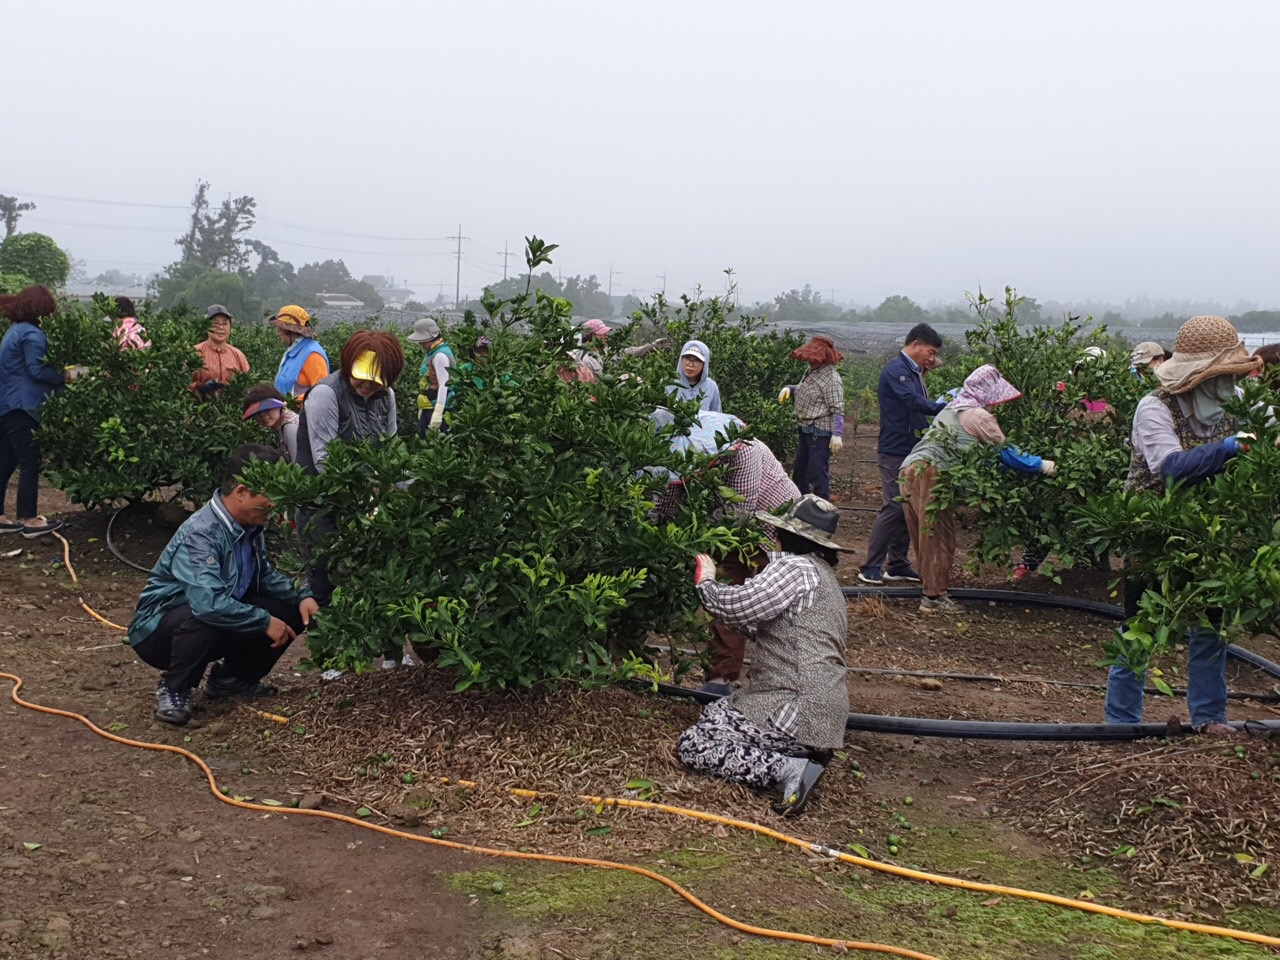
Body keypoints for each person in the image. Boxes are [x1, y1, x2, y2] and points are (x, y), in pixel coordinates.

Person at [1106, 315, 1261, 735]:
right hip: (1152, 530)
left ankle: (1209, 717)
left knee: (1211, 623)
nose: (1229, 388)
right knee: (1140, 624)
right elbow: (1171, 468)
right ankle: (1121, 723)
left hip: (1210, 532)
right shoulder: (1155, 407)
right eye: (1221, 379)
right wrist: (1230, 447)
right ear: (1197, 378)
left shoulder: (1238, 406)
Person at [678, 494, 852, 817]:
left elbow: (739, 604)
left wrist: (707, 584)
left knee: (695, 743)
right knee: (715, 714)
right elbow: (761, 626)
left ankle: (790, 769)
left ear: (788, 535)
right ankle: (803, 756)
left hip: (794, 707)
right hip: (824, 714)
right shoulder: (825, 579)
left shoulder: (794, 568)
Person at [127, 444, 317, 725]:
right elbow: (207, 603)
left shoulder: (251, 526)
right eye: (270, 494)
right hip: (160, 631)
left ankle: (232, 680)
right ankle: (175, 689)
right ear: (241, 492)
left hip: (214, 620)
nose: (275, 503)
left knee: (291, 611)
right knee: (203, 614)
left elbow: (263, 576)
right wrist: (263, 621)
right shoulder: (201, 533)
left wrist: (302, 596)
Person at [649, 410, 800, 695]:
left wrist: (697, 537)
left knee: (767, 600)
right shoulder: (680, 458)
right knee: (727, 599)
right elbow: (665, 502)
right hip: (721, 528)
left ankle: (777, 681)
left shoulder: (744, 450)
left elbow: (737, 514)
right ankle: (721, 678)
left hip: (771, 522)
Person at [899, 365, 1056, 615]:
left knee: (925, 535)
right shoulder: (978, 416)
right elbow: (1006, 454)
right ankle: (933, 598)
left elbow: (981, 458)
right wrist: (1042, 465)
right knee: (938, 537)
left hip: (909, 470)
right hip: (930, 475)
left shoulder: (951, 409)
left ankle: (931, 590)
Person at [295, 330, 404, 605]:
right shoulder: (325, 394)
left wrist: (418, 485)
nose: (366, 385)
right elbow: (325, 461)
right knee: (326, 579)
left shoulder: (386, 396)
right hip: (321, 503)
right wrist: (370, 491)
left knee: (369, 583)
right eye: (361, 377)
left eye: (375, 381)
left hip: (361, 503)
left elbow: (390, 450)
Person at [857, 324, 946, 586]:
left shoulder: (915, 371)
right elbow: (912, 402)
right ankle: (870, 565)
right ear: (916, 344)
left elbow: (920, 394)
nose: (931, 358)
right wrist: (944, 407)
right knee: (894, 504)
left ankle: (897, 564)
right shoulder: (897, 370)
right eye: (929, 352)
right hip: (895, 449)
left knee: (908, 506)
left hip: (912, 446)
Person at [0, 285, 71, 538]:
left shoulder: (14, 331)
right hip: (23, 406)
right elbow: (36, 370)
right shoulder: (32, 334)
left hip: (6, 405)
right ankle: (29, 520)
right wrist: (63, 375)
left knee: (6, 460)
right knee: (30, 463)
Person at [778, 336, 846, 500]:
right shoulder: (811, 371)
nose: (809, 360)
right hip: (806, 428)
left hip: (820, 432)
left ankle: (822, 509)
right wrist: (790, 389)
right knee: (800, 471)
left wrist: (837, 433)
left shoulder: (832, 379)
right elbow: (804, 388)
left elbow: (837, 408)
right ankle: (803, 505)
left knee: (817, 473)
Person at [272, 305, 330, 401]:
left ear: (288, 331)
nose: (278, 330)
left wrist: (293, 403)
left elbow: (321, 394)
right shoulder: (293, 350)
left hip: (301, 415)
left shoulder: (312, 355)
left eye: (280, 327)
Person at [407, 317, 453, 435]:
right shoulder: (432, 352)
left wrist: (438, 411)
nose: (420, 343)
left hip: (438, 406)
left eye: (422, 340)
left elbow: (444, 385)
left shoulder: (440, 355)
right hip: (429, 405)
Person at [191, 304, 249, 396]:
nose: (221, 327)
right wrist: (201, 387)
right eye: (216, 323)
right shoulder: (195, 352)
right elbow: (182, 384)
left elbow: (248, 385)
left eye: (225, 323)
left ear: (230, 327)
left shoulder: (238, 355)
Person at [243, 384, 300, 463]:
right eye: (257, 412)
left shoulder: (290, 427)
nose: (263, 415)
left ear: (279, 406)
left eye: (267, 408)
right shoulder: (278, 425)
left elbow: (300, 465)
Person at [665, 340, 722, 412]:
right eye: (688, 359)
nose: (691, 364)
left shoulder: (711, 387)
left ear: (704, 365)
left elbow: (716, 416)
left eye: (696, 360)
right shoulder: (669, 384)